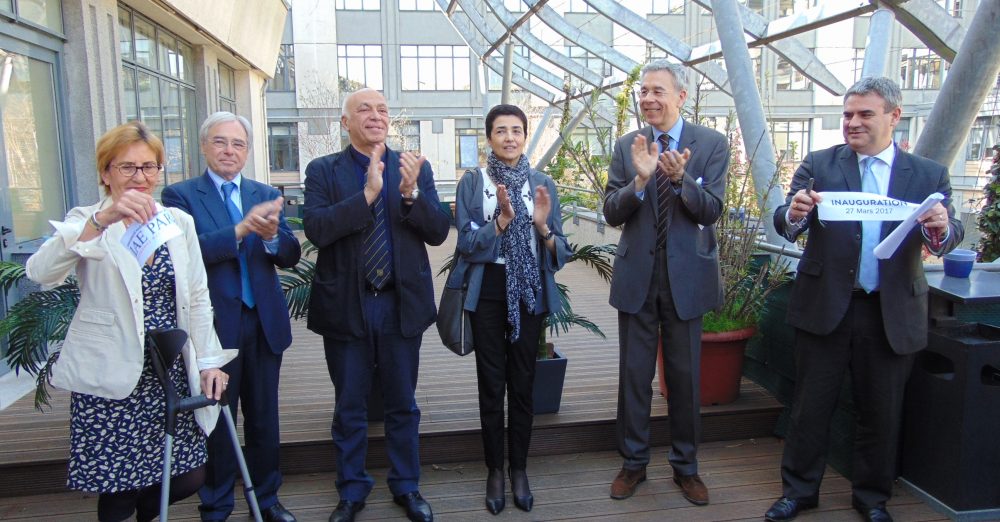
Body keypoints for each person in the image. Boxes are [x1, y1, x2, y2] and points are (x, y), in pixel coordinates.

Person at [764, 77, 963, 522]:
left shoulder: (928, 175)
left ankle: (872, 499)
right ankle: (798, 492)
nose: (852, 122)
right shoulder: (819, 164)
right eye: (848, 114)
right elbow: (785, 222)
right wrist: (793, 213)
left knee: (882, 411)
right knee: (810, 407)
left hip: (890, 312)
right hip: (825, 306)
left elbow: (950, 236)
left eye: (864, 114)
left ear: (894, 116)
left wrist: (940, 226)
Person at [26, 121, 236, 522]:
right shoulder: (87, 219)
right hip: (113, 370)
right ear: (106, 173)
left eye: (149, 167)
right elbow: (40, 271)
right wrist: (102, 221)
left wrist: (210, 361)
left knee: (188, 475)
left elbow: (196, 295)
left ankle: (148, 514)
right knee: (119, 486)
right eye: (127, 168)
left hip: (169, 368)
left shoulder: (177, 222)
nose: (140, 177)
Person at [302, 88, 450, 522]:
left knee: (403, 403)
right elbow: (316, 229)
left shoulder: (413, 167)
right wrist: (366, 196)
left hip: (400, 304)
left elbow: (439, 231)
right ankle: (351, 490)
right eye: (363, 109)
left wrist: (410, 196)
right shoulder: (323, 171)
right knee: (349, 405)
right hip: (348, 305)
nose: (375, 116)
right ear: (344, 122)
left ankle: (407, 485)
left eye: (382, 109)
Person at [161, 112, 302, 522]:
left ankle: (268, 499)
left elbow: (291, 254)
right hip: (214, 328)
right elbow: (186, 253)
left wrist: (273, 235)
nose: (229, 151)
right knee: (217, 417)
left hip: (263, 322)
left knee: (264, 419)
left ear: (247, 151)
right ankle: (217, 503)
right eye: (220, 142)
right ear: (204, 146)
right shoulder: (180, 196)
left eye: (238, 144)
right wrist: (241, 230)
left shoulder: (262, 190)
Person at [602, 60, 729, 506]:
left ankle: (686, 467)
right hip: (638, 274)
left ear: (681, 97)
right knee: (634, 377)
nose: (649, 99)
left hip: (686, 279)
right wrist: (639, 180)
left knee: (685, 376)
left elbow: (712, 210)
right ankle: (633, 463)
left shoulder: (711, 144)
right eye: (643, 92)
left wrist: (681, 179)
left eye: (658, 91)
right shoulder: (627, 145)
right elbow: (611, 212)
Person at [449, 104, 571, 515]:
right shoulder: (473, 183)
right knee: (491, 383)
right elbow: (466, 245)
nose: (510, 138)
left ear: (524, 135)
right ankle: (494, 470)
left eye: (517, 130)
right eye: (500, 130)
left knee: (522, 383)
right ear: (489, 138)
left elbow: (561, 251)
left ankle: (519, 468)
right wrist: (500, 222)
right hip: (486, 292)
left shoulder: (541, 183)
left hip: (528, 293)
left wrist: (542, 226)